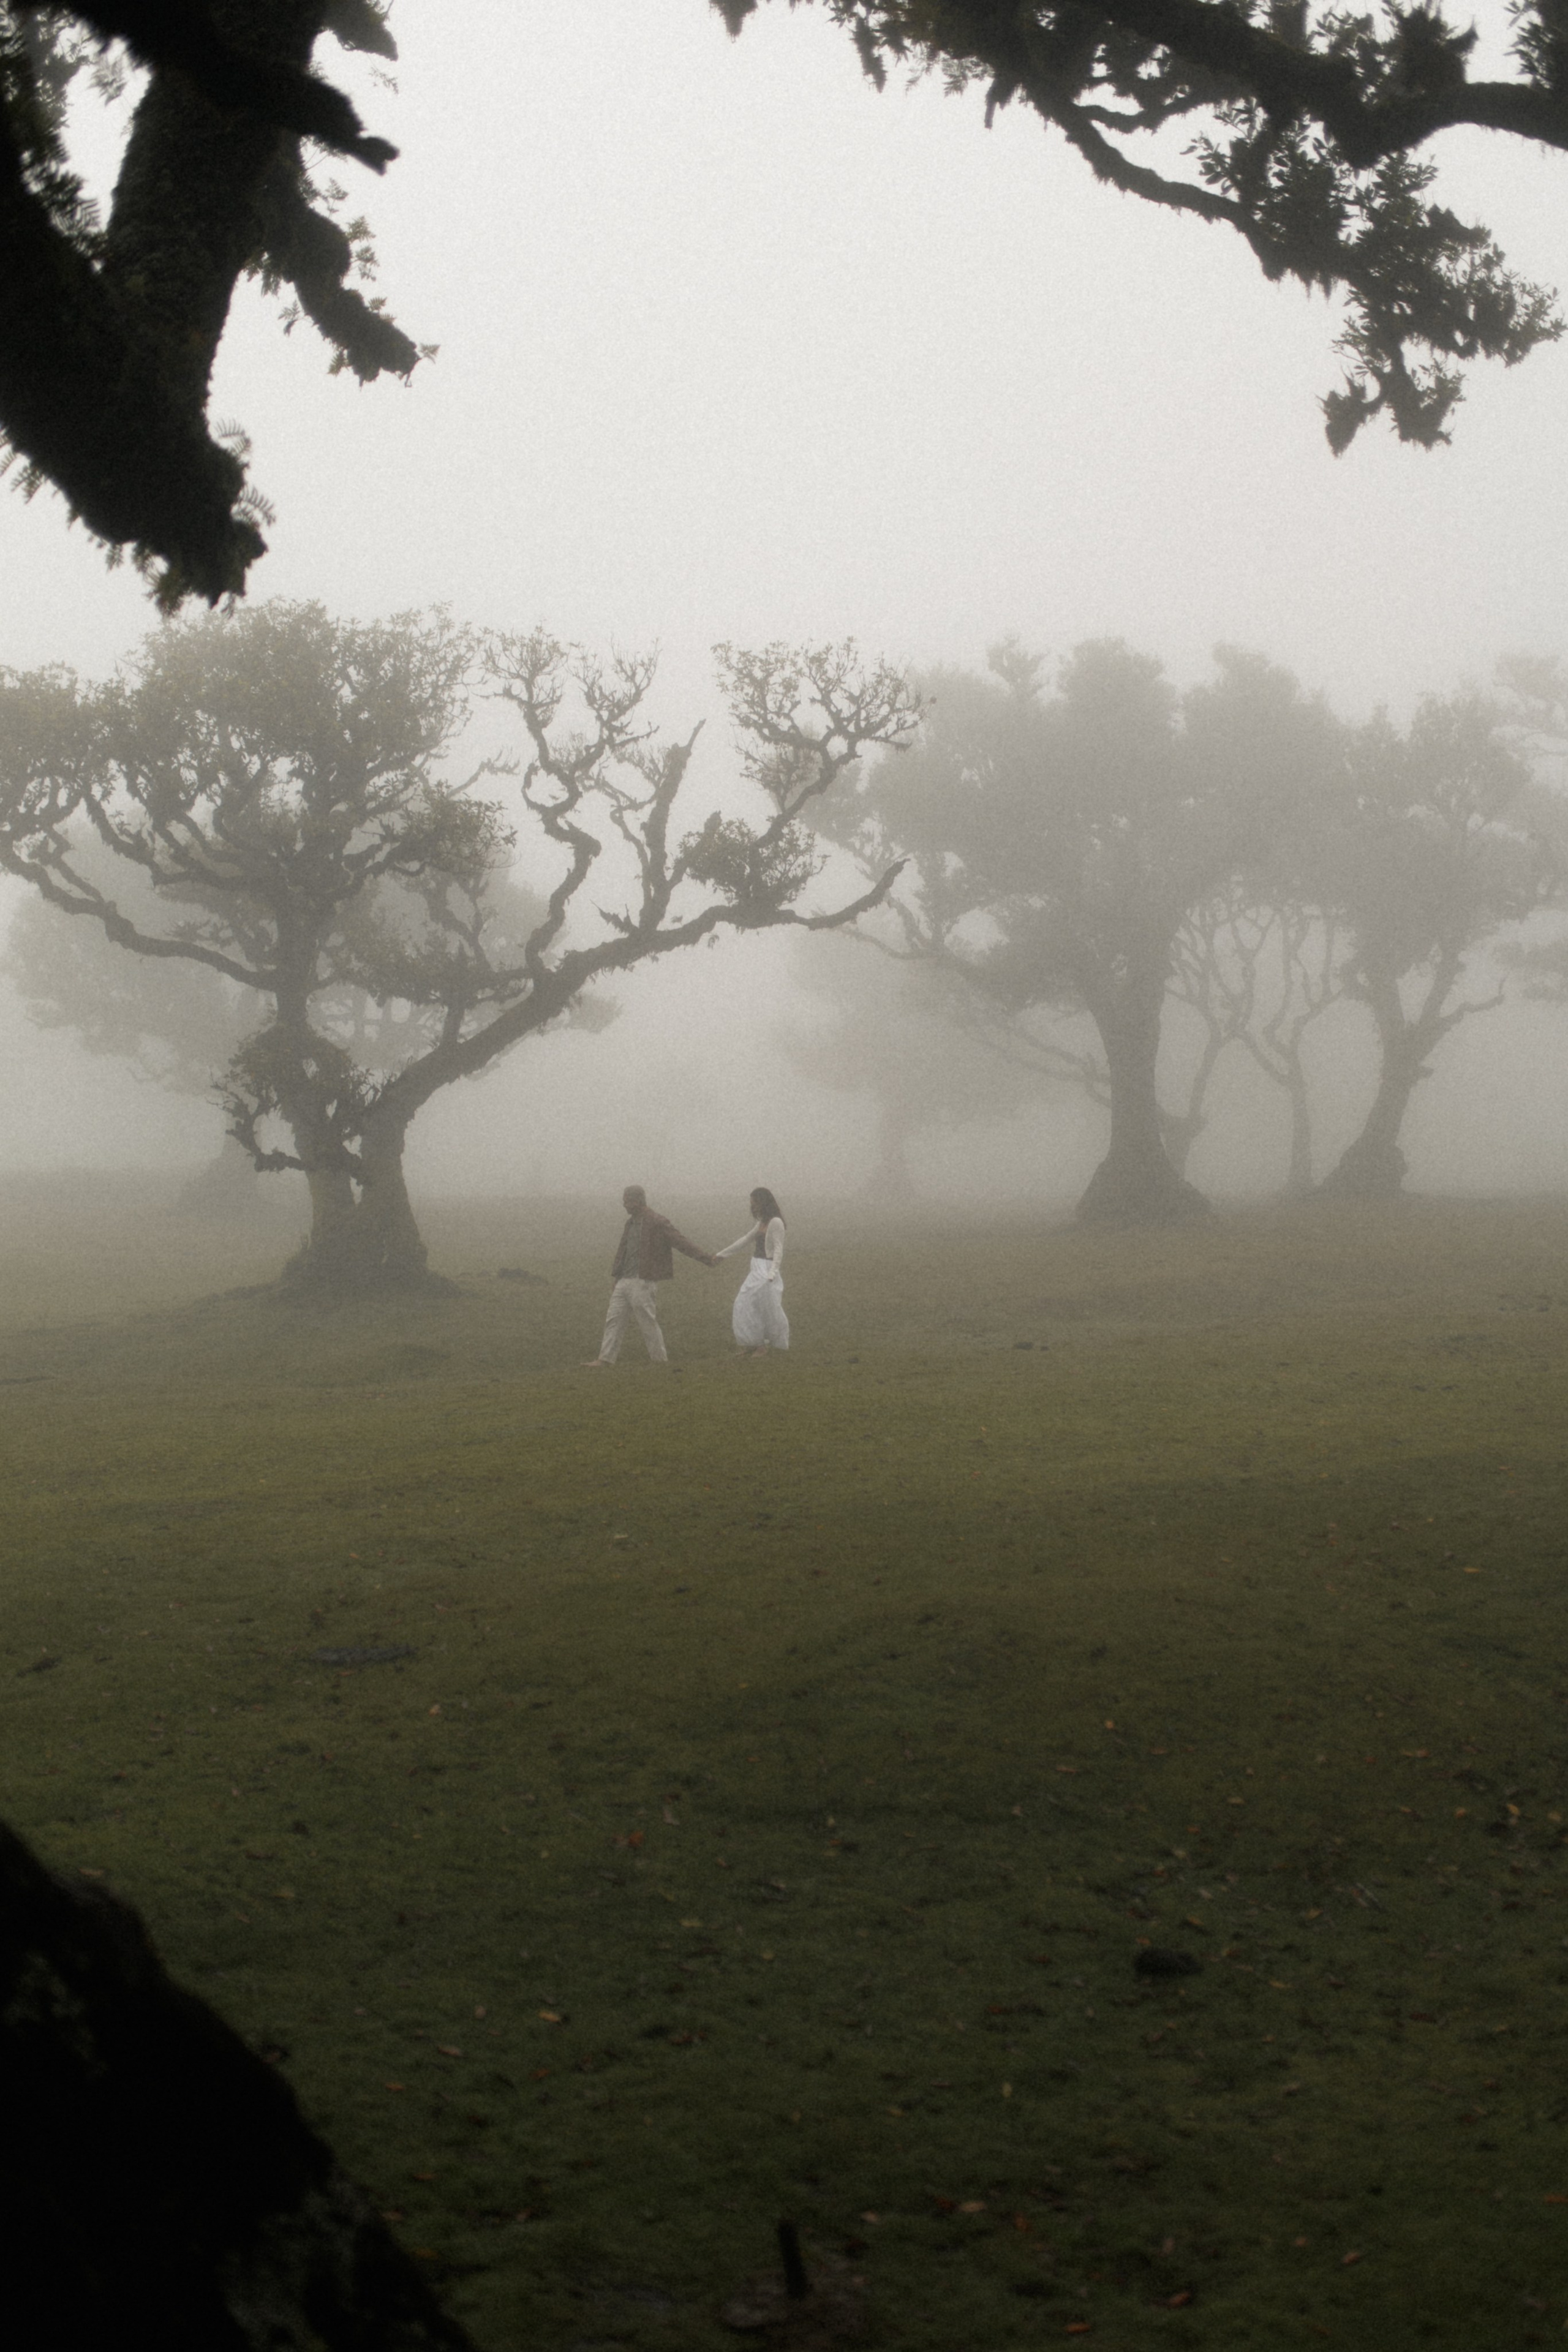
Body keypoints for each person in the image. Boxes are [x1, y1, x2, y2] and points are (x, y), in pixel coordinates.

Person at [585, 1185, 717, 1366]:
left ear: (638, 1201)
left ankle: (660, 1361)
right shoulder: (630, 1223)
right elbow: (624, 1250)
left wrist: (706, 1258)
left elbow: (680, 1242)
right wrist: (617, 1276)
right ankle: (605, 1359)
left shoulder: (657, 1222)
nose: (624, 1205)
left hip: (644, 1281)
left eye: (627, 1201)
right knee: (613, 1321)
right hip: (624, 1281)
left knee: (647, 1322)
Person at [714, 1187, 790, 1357]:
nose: (753, 1207)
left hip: (767, 1270)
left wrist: (772, 1273)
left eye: (755, 1203)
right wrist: (722, 1255)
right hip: (756, 1267)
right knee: (744, 1304)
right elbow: (745, 1240)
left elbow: (778, 1249)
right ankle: (751, 1344)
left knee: (766, 1308)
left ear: (763, 1202)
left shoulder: (776, 1222)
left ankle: (761, 1346)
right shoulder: (761, 1223)